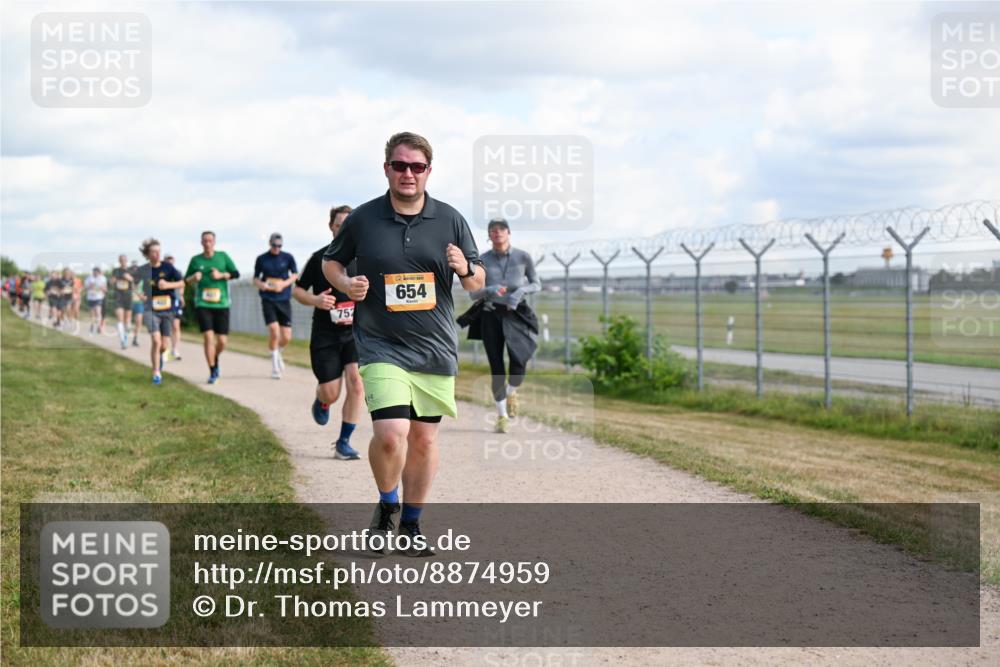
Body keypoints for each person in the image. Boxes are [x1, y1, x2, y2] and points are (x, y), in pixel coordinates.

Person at [323, 131, 484, 556]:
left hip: (433, 349)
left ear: (429, 171)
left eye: (416, 166)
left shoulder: (450, 219)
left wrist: (465, 265)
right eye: (400, 165)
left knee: (425, 441)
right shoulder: (363, 219)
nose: (408, 173)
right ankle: (388, 504)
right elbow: (331, 261)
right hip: (380, 346)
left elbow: (477, 282)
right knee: (392, 435)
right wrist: (345, 283)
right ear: (387, 169)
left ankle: (411, 526)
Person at [293, 205, 364, 460]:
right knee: (331, 392)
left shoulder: (365, 257)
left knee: (357, 383)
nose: (342, 228)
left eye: (348, 223)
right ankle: (322, 400)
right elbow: (297, 290)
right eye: (338, 223)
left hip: (356, 333)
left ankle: (344, 442)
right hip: (326, 335)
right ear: (331, 226)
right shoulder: (319, 258)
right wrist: (315, 301)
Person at [467, 218, 541, 433]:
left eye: (501, 229)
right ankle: (502, 415)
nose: (497, 233)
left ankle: (511, 391)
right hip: (491, 316)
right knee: (496, 367)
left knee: (519, 361)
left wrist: (520, 291)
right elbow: (473, 293)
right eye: (492, 230)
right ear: (489, 236)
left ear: (509, 233)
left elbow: (536, 282)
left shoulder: (523, 257)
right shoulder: (482, 260)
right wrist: (490, 290)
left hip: (517, 314)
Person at [184, 231, 239, 384]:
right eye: (204, 241)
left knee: (222, 341)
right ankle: (213, 369)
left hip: (222, 303)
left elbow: (236, 273)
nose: (207, 243)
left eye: (210, 241)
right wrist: (193, 278)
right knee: (208, 337)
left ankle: (214, 356)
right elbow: (185, 281)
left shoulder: (222, 257)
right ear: (201, 243)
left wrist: (221, 275)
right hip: (203, 303)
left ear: (214, 242)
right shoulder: (195, 260)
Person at [138, 238, 184, 385]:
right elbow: (132, 284)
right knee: (156, 341)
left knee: (164, 345)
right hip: (150, 309)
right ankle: (156, 372)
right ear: (147, 254)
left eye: (159, 251)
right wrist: (139, 294)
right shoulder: (143, 270)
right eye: (153, 252)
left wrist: (168, 284)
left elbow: (182, 282)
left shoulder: (168, 267)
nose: (157, 254)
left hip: (167, 309)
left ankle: (159, 361)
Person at [254, 232, 298, 379]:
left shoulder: (288, 257)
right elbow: (255, 279)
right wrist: (263, 285)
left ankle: (277, 351)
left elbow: (295, 274)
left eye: (279, 246)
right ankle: (275, 367)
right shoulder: (261, 259)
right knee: (274, 331)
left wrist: (283, 284)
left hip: (284, 299)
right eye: (274, 245)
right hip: (268, 299)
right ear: (270, 244)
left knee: (286, 336)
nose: (277, 248)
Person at [110, 255, 135, 348]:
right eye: (121, 260)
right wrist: (113, 280)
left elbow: (135, 285)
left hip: (128, 296)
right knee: (120, 319)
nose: (123, 262)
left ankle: (126, 337)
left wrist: (130, 279)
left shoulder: (131, 271)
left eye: (124, 260)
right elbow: (111, 282)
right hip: (118, 296)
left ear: (126, 261)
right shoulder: (115, 271)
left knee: (127, 320)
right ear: (119, 261)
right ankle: (122, 341)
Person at [164, 254, 183, 362]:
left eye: (172, 263)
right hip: (165, 302)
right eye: (168, 262)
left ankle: (175, 349)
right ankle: (165, 349)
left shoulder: (177, 273)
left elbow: (182, 284)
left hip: (176, 301)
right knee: (167, 325)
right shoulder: (161, 273)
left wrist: (182, 295)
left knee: (176, 326)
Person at [84, 266, 108, 335]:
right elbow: (86, 288)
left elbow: (105, 289)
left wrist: (103, 288)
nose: (95, 273)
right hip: (91, 297)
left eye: (97, 272)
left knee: (98, 312)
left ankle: (99, 327)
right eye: (94, 272)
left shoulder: (103, 278)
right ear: (93, 272)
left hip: (99, 297)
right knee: (92, 313)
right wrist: (89, 286)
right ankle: (92, 325)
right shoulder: (88, 278)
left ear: (99, 272)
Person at [129, 260, 144, 346]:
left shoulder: (142, 280)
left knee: (138, 321)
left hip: (139, 302)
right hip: (129, 302)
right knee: (127, 320)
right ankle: (126, 335)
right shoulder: (128, 279)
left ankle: (135, 338)